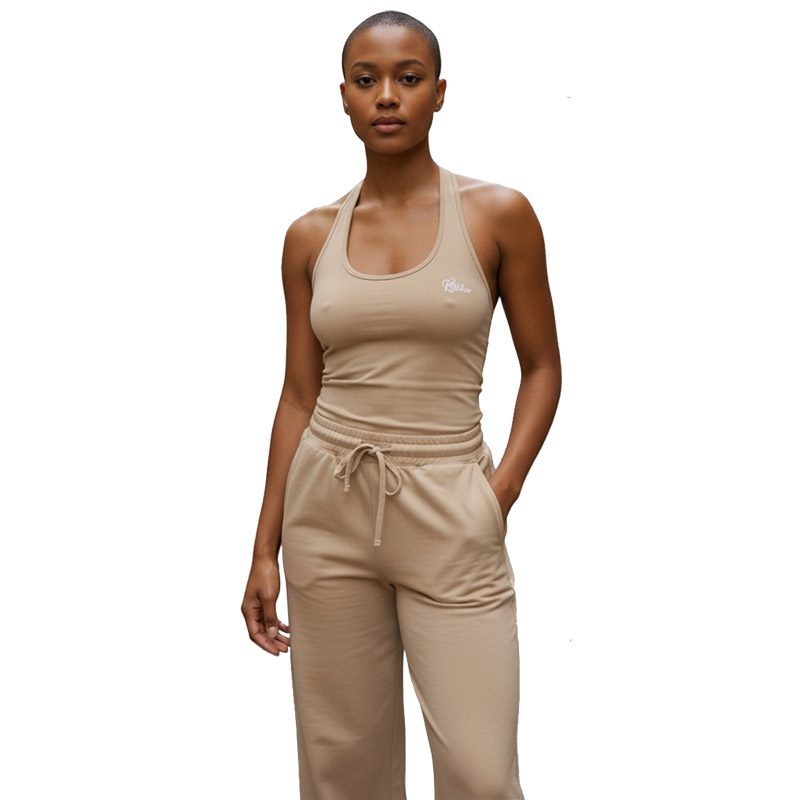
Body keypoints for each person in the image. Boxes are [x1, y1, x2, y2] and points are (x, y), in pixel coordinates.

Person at [241, 9, 561, 799]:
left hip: (451, 505)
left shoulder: (498, 215)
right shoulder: (309, 236)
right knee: (343, 772)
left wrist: (499, 492)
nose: (387, 95)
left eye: (408, 79)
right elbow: (298, 395)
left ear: (439, 93)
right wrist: (263, 547)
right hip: (327, 508)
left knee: (481, 775)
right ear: (344, 97)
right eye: (367, 80)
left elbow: (543, 367)